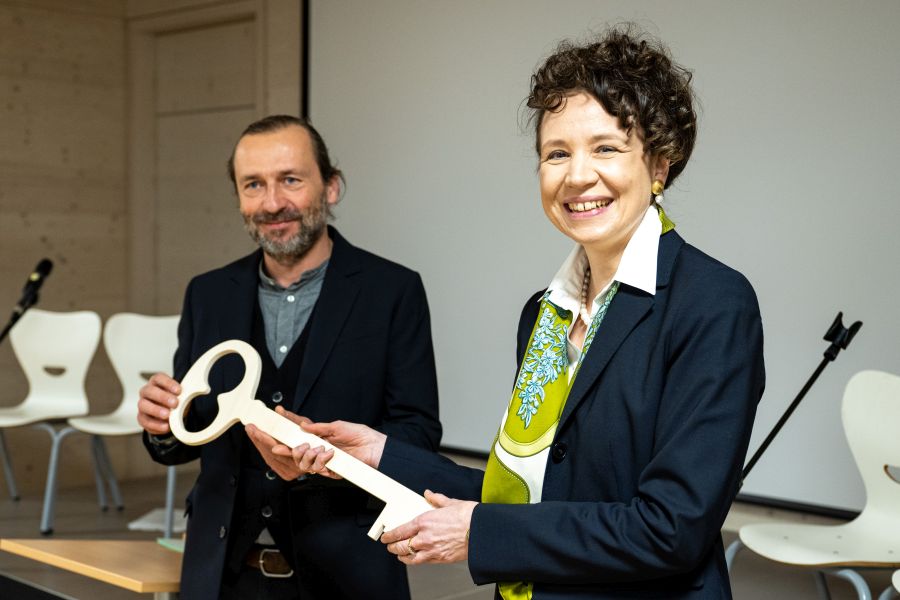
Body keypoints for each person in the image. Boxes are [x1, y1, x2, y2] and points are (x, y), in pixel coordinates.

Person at [280, 26, 765, 599]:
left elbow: (671, 529)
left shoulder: (712, 303)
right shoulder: (545, 313)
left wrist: (478, 535)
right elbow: (526, 495)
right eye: (556, 153)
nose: (577, 175)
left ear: (659, 163)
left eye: (606, 147)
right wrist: (378, 454)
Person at [137, 115, 441, 600]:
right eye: (253, 184)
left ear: (332, 187)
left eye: (291, 180)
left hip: (348, 572)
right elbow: (186, 432)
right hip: (221, 575)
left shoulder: (393, 290)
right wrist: (160, 424)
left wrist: (332, 459)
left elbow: (417, 433)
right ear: (238, 196)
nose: (273, 203)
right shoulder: (208, 293)